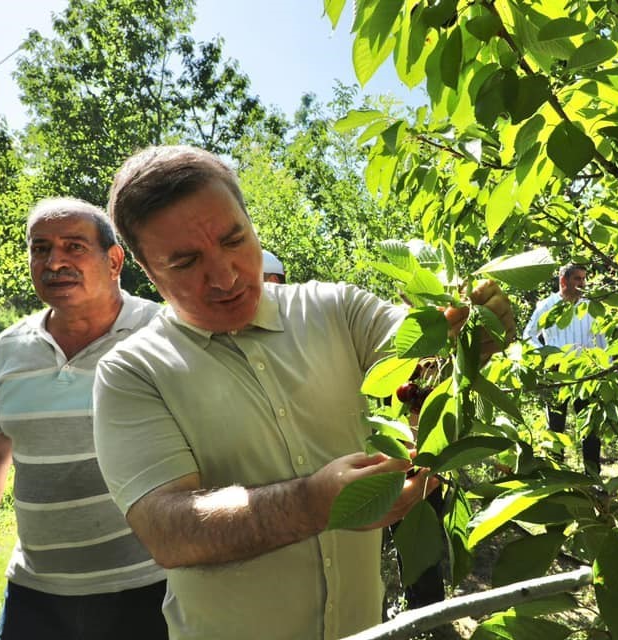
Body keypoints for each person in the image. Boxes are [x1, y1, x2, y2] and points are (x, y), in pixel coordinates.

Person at [92, 144, 516, 640]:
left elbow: (424, 359)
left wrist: (470, 330)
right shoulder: (132, 372)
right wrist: (313, 504)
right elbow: (167, 530)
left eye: (235, 239)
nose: (225, 276)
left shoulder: (337, 311)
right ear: (145, 269)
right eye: (186, 262)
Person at [0, 198, 166, 640]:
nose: (54, 262)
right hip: (35, 598)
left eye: (74, 247)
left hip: (151, 589)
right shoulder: (9, 348)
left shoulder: (165, 334)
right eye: (40, 249)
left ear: (114, 261)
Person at [523, 264, 607, 474]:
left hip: (587, 373)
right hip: (557, 373)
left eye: (584, 279)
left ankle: (592, 477)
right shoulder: (547, 305)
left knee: (590, 426)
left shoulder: (590, 306)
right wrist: (547, 355)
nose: (582, 284)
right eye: (577, 279)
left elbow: (601, 338)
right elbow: (528, 335)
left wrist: (604, 367)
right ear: (563, 281)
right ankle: (556, 475)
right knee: (556, 426)